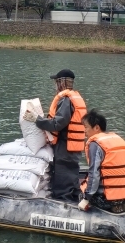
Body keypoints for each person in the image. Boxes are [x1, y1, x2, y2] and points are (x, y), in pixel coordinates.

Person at [26, 68, 86, 202]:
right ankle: (75, 198)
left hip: (65, 147)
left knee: (63, 179)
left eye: (56, 82)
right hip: (72, 146)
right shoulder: (75, 96)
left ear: (61, 82)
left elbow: (58, 124)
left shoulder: (66, 100)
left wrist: (37, 120)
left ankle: (65, 204)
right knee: (71, 175)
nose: (55, 85)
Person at [77, 110, 125, 213]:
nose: (85, 131)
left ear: (96, 127)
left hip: (106, 199)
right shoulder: (118, 139)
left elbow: (94, 174)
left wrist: (86, 198)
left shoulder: (95, 144)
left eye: (86, 127)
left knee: (80, 194)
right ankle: (122, 205)